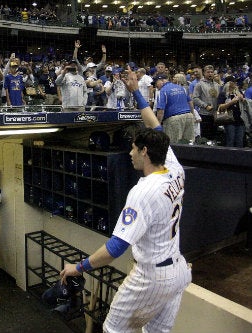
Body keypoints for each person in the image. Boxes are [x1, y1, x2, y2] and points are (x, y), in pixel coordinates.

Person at [60, 66, 192, 333]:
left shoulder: (143, 190)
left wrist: (80, 266)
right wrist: (136, 93)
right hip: (178, 271)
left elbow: (117, 246)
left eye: (133, 148)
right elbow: (155, 127)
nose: (130, 153)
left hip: (151, 276)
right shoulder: (173, 166)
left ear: (144, 151)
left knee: (112, 330)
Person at [153, 74, 195, 143]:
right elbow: (190, 102)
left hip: (174, 120)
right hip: (189, 117)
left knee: (173, 145)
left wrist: (158, 125)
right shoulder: (181, 88)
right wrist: (192, 115)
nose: (156, 87)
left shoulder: (163, 91)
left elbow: (160, 111)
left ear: (161, 81)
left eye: (156, 84)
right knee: (190, 143)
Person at [217, 76, 246, 147]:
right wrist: (231, 102)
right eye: (233, 81)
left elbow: (244, 105)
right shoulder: (223, 94)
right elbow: (220, 107)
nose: (235, 83)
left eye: (235, 82)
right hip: (229, 120)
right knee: (230, 140)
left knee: (240, 141)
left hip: (240, 120)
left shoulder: (239, 93)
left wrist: (243, 99)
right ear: (228, 83)